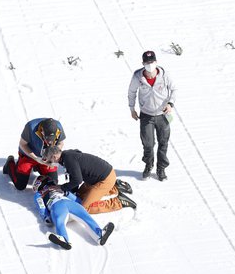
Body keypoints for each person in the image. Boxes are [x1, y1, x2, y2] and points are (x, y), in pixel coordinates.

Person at [128, 50, 177, 181]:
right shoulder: (138, 76)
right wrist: (132, 109)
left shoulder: (164, 75)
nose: (150, 65)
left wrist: (170, 104)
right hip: (146, 115)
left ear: (156, 62)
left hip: (163, 114)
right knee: (148, 144)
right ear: (143, 63)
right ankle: (148, 165)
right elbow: (131, 92)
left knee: (163, 142)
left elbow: (174, 89)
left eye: (152, 62)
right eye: (147, 62)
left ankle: (161, 168)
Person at [43, 147, 136, 214]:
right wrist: (72, 190)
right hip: (99, 177)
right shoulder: (66, 154)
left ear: (54, 157)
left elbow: (77, 180)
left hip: (104, 179)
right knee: (79, 195)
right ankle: (115, 188)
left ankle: (119, 202)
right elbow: (74, 174)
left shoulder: (68, 159)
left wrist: (62, 188)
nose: (50, 164)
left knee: (83, 207)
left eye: (49, 161)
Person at [33, 177, 114, 250]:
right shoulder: (40, 194)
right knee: (60, 220)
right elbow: (40, 205)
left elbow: (77, 200)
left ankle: (100, 235)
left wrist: (66, 193)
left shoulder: (59, 187)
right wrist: (45, 216)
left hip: (68, 204)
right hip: (56, 205)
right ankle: (64, 239)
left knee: (84, 216)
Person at [3, 118, 65, 190]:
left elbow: (61, 143)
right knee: (20, 185)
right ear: (42, 132)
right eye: (47, 138)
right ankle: (9, 164)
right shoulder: (30, 127)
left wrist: (52, 158)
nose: (50, 142)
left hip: (46, 157)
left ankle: (38, 166)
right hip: (28, 155)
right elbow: (22, 144)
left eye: (52, 139)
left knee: (53, 183)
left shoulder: (58, 127)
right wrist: (36, 158)